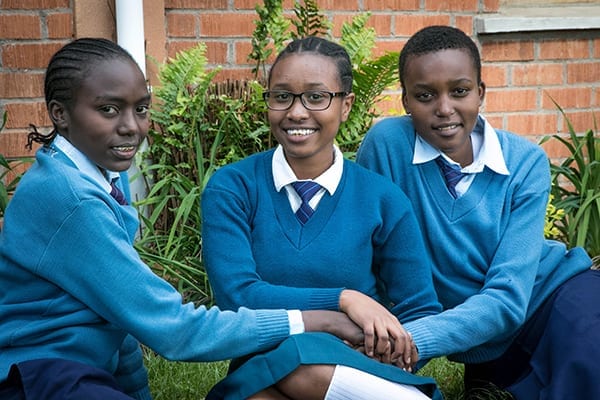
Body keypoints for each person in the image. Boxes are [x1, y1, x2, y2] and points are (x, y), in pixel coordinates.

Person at [0, 38, 368, 400]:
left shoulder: (98, 172)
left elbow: (118, 317)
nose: (131, 127)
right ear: (60, 113)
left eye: (141, 108)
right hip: (34, 377)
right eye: (109, 110)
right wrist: (316, 318)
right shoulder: (72, 198)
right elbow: (174, 329)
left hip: (75, 374)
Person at [356, 25, 597, 399]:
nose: (444, 108)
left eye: (460, 91)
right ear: (405, 101)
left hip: (555, 296)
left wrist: (411, 342)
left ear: (480, 93)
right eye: (425, 95)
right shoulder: (387, 147)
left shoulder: (524, 162)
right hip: (487, 347)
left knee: (589, 364)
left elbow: (506, 299)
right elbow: (373, 262)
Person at [201, 36, 444, 400]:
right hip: (261, 367)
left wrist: (386, 351)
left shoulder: (383, 198)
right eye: (282, 96)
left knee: (305, 367)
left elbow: (419, 306)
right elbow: (238, 297)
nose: (297, 112)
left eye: (316, 97)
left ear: (346, 105)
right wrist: (344, 299)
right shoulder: (232, 188)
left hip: (357, 365)